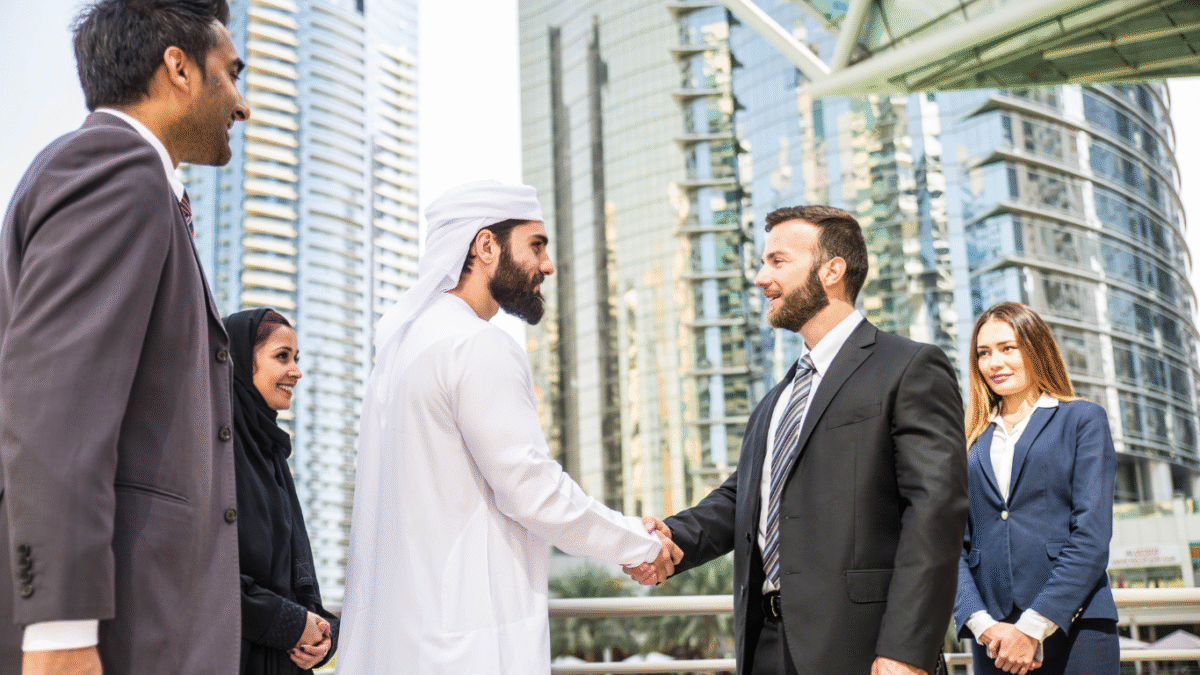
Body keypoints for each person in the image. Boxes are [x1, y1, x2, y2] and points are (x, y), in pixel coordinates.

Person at [337, 179, 681, 675]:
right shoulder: (476, 345)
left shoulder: (401, 353)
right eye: (536, 245)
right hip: (468, 651)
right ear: (485, 246)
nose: (547, 265)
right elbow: (533, 491)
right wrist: (642, 542)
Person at [0, 1, 250, 674]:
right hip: (116, 638)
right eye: (232, 73)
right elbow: (52, 404)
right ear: (178, 68)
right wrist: (58, 629)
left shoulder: (129, 180)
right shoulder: (117, 168)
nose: (243, 103)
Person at [627, 205, 968, 675]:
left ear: (832, 270)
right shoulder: (777, 398)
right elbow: (742, 497)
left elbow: (935, 515)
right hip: (765, 646)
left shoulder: (908, 368)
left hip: (864, 650)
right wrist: (672, 539)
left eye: (777, 261)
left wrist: (906, 651)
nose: (762, 277)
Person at [954, 302, 1118, 675]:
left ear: (1036, 348)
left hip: (1075, 630)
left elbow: (1092, 535)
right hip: (994, 639)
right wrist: (981, 624)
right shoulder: (968, 440)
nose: (994, 362)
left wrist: (1031, 629)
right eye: (984, 353)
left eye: (1007, 348)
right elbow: (951, 545)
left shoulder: (1082, 420)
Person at [224, 308, 339, 674]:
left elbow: (298, 575)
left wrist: (324, 637)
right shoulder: (215, 449)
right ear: (241, 360)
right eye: (281, 356)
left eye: (296, 358)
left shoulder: (272, 453)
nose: (296, 371)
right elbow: (199, 571)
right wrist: (288, 623)